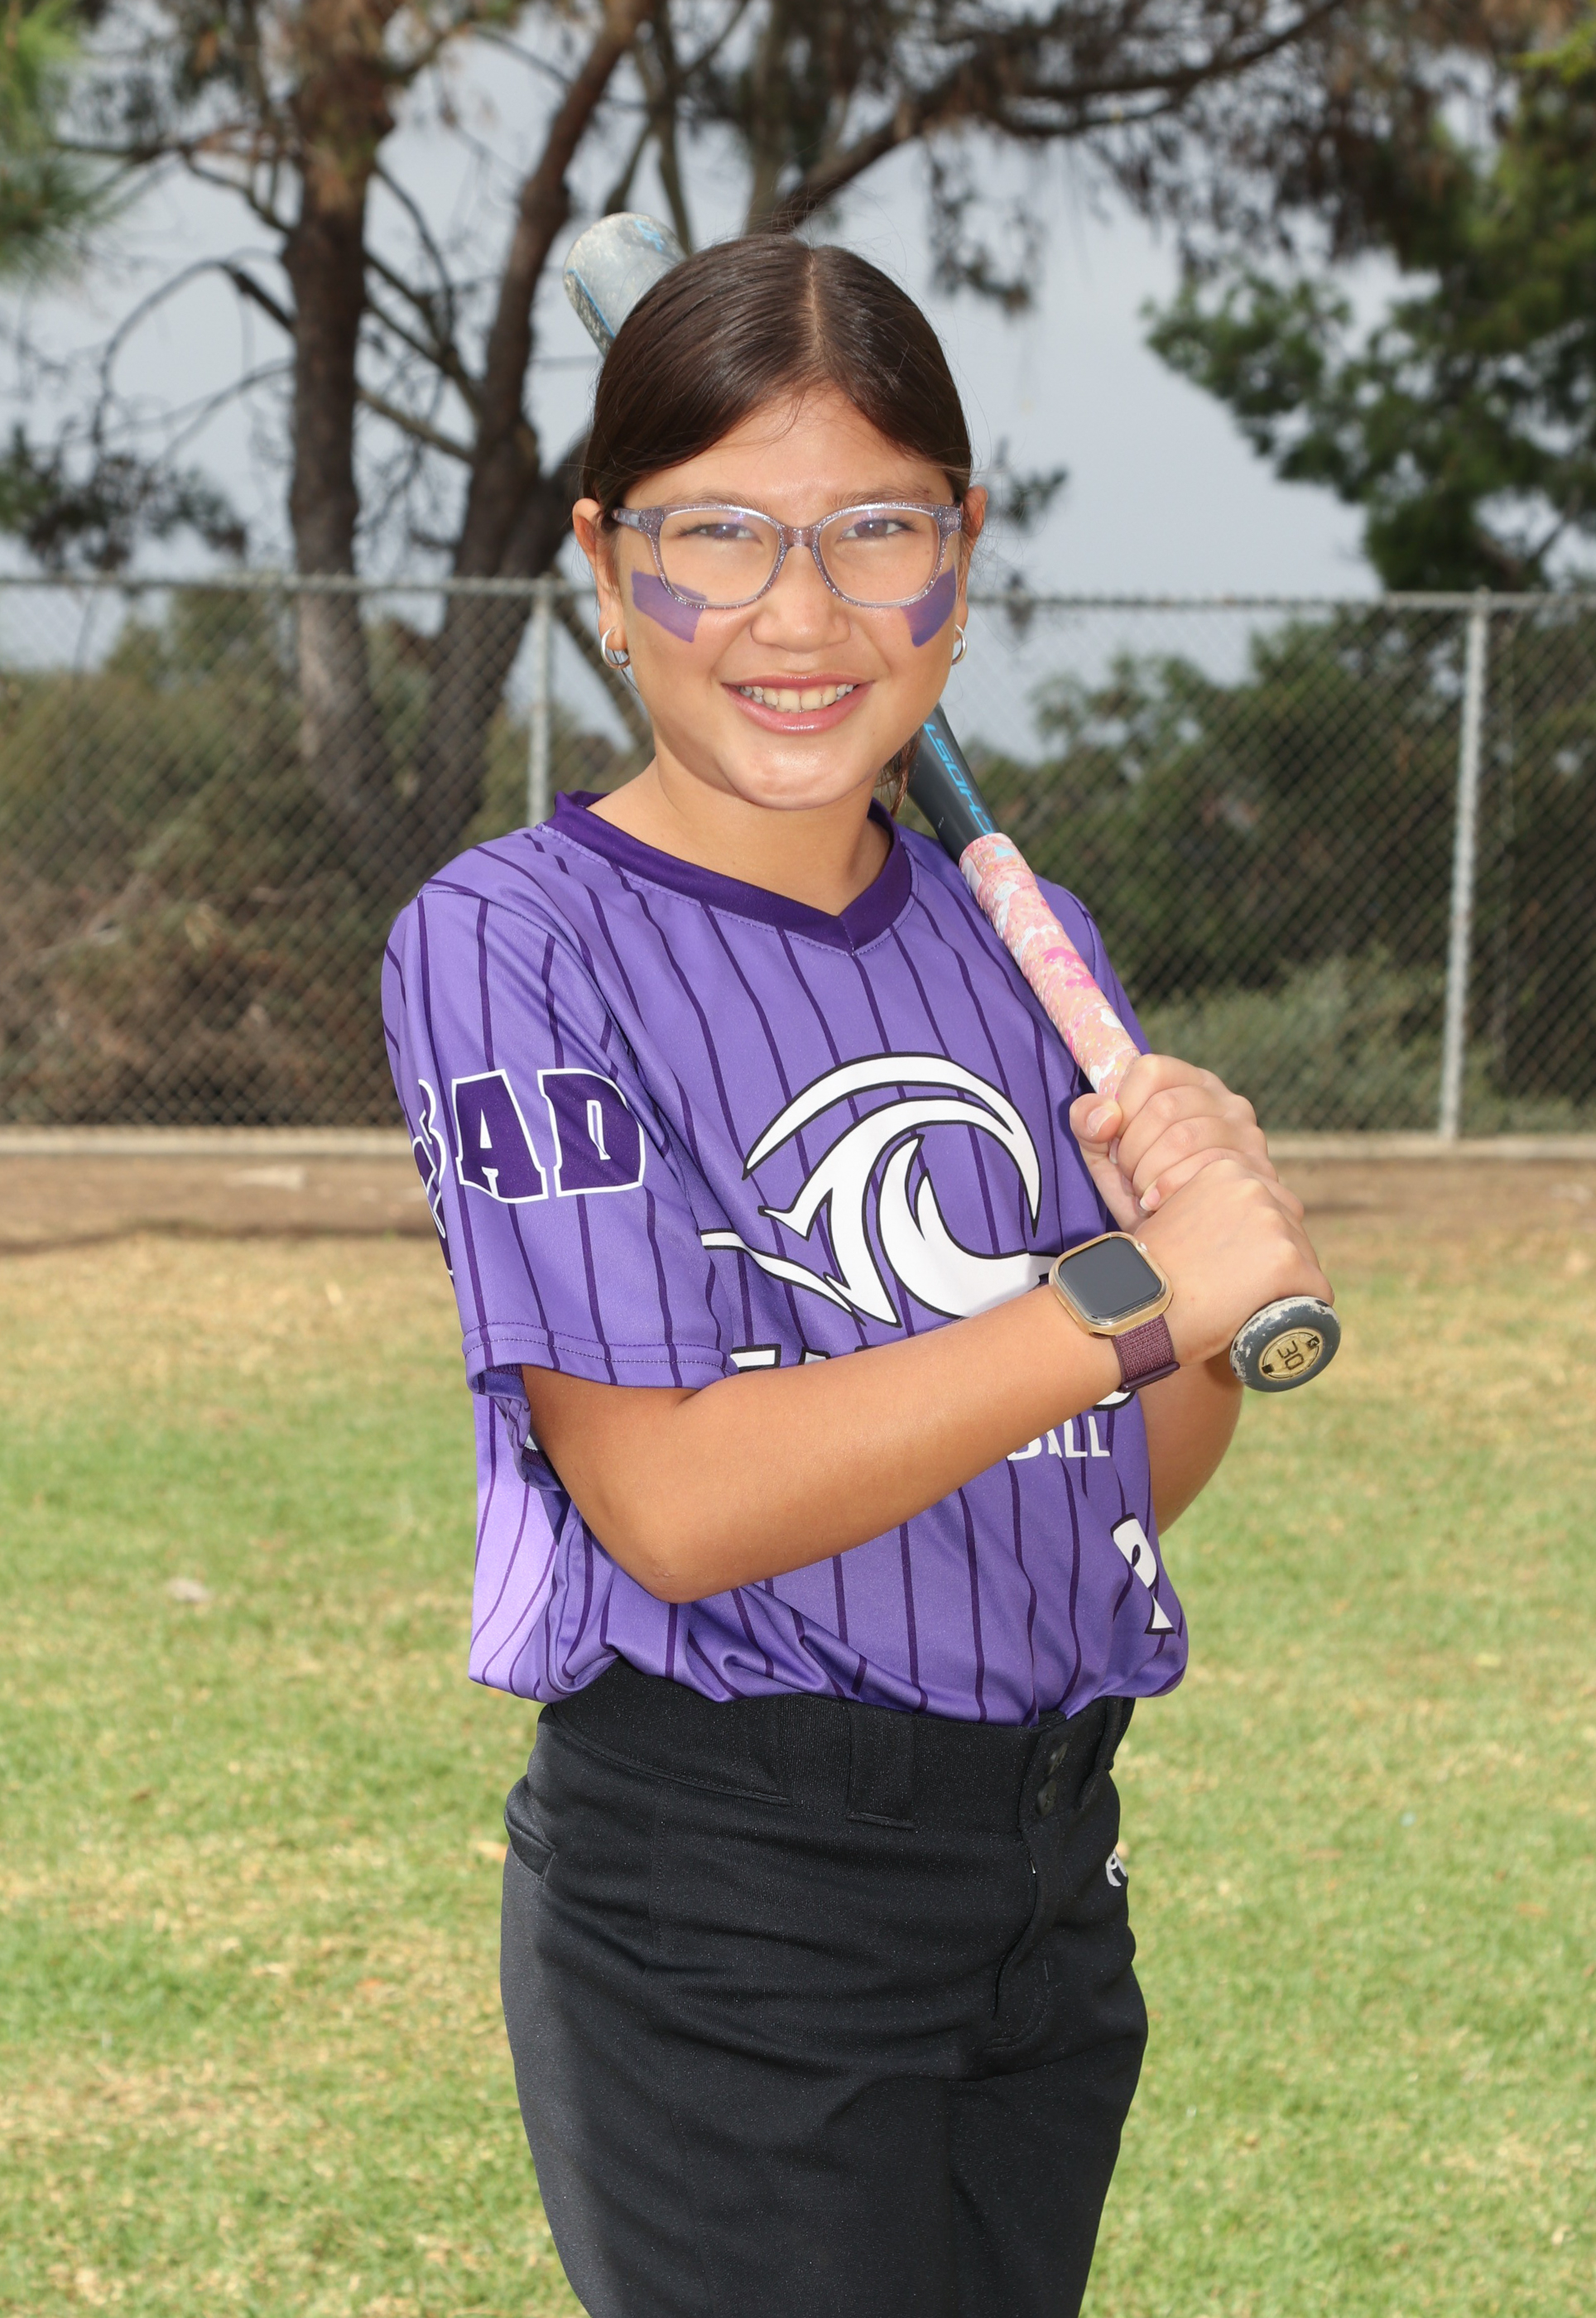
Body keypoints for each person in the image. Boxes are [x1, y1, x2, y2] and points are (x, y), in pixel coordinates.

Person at [382, 233, 1330, 2318]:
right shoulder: (514, 938)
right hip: (730, 1893)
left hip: (1039, 1877)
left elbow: (1113, 1477)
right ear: (606, 566)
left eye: (873, 530)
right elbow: (673, 1498)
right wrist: (1112, 1300)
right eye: (716, 533)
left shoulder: (1022, 943)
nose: (798, 614)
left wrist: (1198, 1293)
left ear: (957, 559)